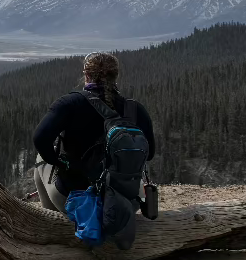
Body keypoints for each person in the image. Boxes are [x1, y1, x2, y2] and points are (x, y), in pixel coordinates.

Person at [32, 52, 156, 211]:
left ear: (86, 74)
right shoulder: (135, 109)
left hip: (77, 199)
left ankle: (51, 219)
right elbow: (150, 153)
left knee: (40, 158)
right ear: (116, 76)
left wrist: (62, 163)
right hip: (126, 200)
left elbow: (40, 139)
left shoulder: (70, 103)